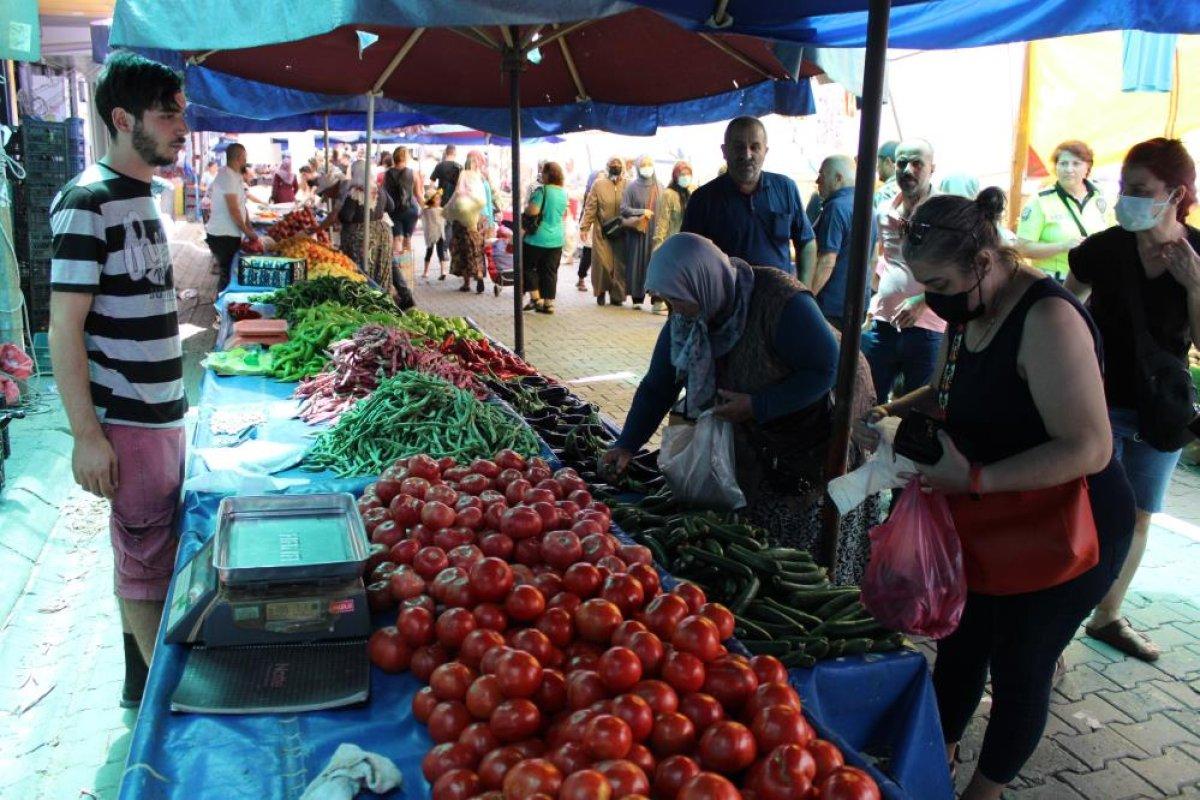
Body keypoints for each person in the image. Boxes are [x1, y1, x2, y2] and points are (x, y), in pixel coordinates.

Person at [854, 191, 1133, 800]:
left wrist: (975, 480)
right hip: (994, 517)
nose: (932, 298)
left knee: (1021, 665)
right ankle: (934, 761)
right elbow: (944, 388)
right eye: (922, 282)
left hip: (1072, 527)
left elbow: (1091, 447)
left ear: (983, 261)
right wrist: (883, 411)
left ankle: (985, 791)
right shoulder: (971, 311)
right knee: (959, 643)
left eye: (939, 282)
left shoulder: (1047, 319)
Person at [601, 233, 879, 582]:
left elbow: (827, 368)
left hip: (823, 418)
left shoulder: (781, 300)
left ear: (700, 282)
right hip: (765, 433)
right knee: (763, 524)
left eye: (675, 299)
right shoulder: (689, 316)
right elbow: (658, 386)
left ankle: (826, 589)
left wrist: (759, 405)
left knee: (810, 535)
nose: (673, 310)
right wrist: (627, 443)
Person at [47, 51, 190, 709]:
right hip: (128, 417)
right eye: (168, 114)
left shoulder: (143, 197)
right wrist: (86, 436)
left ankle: (142, 678)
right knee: (144, 556)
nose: (181, 126)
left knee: (151, 544)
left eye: (182, 111)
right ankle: (159, 705)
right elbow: (63, 329)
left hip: (162, 409)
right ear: (123, 117)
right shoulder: (88, 201)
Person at [1066, 138, 1200, 661]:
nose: (1128, 200)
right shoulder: (1105, 247)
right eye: (1125, 188)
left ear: (1176, 195)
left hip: (1160, 414)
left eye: (1142, 191)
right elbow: (1063, 305)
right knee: (1089, 514)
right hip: (1095, 404)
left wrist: (1194, 287)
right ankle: (1056, 627)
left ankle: (1107, 617)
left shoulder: (1197, 254)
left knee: (1140, 515)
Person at [861, 137, 945, 403]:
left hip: (927, 328)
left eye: (917, 164)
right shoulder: (885, 210)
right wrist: (875, 303)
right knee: (870, 401)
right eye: (902, 163)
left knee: (916, 407)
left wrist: (922, 301)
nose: (908, 170)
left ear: (932, 168)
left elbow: (958, 270)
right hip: (884, 325)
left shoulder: (946, 213)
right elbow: (885, 260)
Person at [681, 116, 816, 279]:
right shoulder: (702, 200)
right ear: (724, 151)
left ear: (765, 151)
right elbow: (687, 255)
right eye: (738, 147)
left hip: (779, 298)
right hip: (725, 300)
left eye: (755, 147)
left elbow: (807, 242)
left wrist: (803, 289)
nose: (747, 154)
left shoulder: (786, 189)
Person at [1017, 140, 1112, 281]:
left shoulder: (1102, 198)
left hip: (1093, 282)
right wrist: (1062, 246)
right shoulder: (1039, 201)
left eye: (1076, 164)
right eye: (1063, 163)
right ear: (1055, 167)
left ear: (1088, 167)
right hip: (1054, 283)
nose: (1069, 169)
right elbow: (1022, 248)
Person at [809, 154, 876, 332]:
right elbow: (874, 257)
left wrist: (806, 298)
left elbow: (827, 262)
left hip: (831, 306)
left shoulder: (836, 207)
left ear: (838, 178)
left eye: (822, 175)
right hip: (857, 304)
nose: (817, 180)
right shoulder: (868, 206)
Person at [205, 143, 259, 292]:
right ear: (239, 158)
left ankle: (225, 306)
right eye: (245, 157)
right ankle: (221, 310)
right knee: (227, 275)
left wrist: (249, 226)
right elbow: (234, 209)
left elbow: (242, 205)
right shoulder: (226, 176)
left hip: (230, 234)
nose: (246, 160)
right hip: (222, 235)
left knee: (230, 273)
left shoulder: (235, 176)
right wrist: (248, 232)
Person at [520, 161, 570, 314]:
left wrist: (527, 209)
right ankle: (549, 303)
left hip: (537, 238)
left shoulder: (542, 191)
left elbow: (533, 211)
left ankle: (536, 299)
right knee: (550, 271)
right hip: (556, 239)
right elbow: (564, 214)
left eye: (543, 173)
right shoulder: (563, 192)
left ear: (548, 175)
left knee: (528, 266)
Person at [579, 156, 628, 306]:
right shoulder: (598, 185)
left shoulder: (628, 185)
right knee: (602, 263)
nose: (615, 166)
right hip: (602, 230)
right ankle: (601, 291)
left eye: (618, 164)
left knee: (619, 264)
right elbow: (590, 207)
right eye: (612, 164)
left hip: (621, 230)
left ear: (623, 167)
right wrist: (584, 227)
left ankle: (617, 295)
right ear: (607, 167)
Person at [339, 160, 394, 287]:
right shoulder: (379, 189)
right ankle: (383, 299)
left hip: (362, 237)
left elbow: (346, 216)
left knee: (362, 273)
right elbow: (391, 207)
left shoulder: (355, 193)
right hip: (382, 234)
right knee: (381, 270)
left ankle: (367, 298)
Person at [651, 161, 693, 314]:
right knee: (667, 276)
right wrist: (658, 244)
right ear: (675, 176)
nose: (685, 178)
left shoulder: (691, 192)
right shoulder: (668, 194)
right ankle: (658, 303)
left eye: (688, 174)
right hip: (670, 241)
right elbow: (662, 221)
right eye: (682, 175)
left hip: (686, 244)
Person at [621, 155, 661, 310]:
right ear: (638, 167)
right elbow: (624, 209)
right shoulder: (631, 187)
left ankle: (656, 297)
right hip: (638, 233)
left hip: (656, 233)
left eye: (649, 164)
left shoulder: (660, 186)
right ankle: (637, 297)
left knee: (655, 263)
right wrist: (641, 211)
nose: (647, 167)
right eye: (643, 165)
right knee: (637, 264)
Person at [447, 150, 489, 294]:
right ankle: (478, 273)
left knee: (463, 249)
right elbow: (488, 199)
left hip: (463, 217)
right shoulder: (482, 178)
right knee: (477, 248)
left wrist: (448, 211)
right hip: (479, 218)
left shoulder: (463, 175)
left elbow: (458, 193)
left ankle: (466, 283)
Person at [385, 146, 422, 257]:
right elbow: (419, 195)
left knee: (397, 238)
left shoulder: (388, 174)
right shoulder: (413, 173)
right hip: (411, 210)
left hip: (394, 210)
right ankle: (407, 269)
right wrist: (428, 207)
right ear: (406, 157)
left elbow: (384, 193)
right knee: (407, 238)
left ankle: (398, 268)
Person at [576, 169, 604, 292]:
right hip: (591, 226)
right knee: (587, 254)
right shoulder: (588, 193)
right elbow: (587, 211)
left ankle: (599, 282)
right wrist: (584, 228)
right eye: (599, 178)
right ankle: (581, 278)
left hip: (602, 227)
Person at [430, 144, 462, 249]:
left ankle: (443, 248)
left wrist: (436, 195)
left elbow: (432, 184)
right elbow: (461, 186)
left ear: (446, 152)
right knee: (451, 224)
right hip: (455, 199)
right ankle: (447, 248)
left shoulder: (439, 166)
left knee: (444, 224)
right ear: (455, 153)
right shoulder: (459, 167)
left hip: (441, 198)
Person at [421, 189, 448, 281]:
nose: (439, 201)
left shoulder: (428, 210)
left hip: (437, 234)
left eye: (439, 199)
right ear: (431, 201)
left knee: (436, 252)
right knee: (432, 252)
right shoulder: (428, 210)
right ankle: (428, 271)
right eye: (437, 199)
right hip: (434, 234)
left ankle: (441, 271)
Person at [874, 140, 900, 211]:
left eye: (879, 163)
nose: (877, 168)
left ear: (887, 162)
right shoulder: (916, 191)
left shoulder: (883, 194)